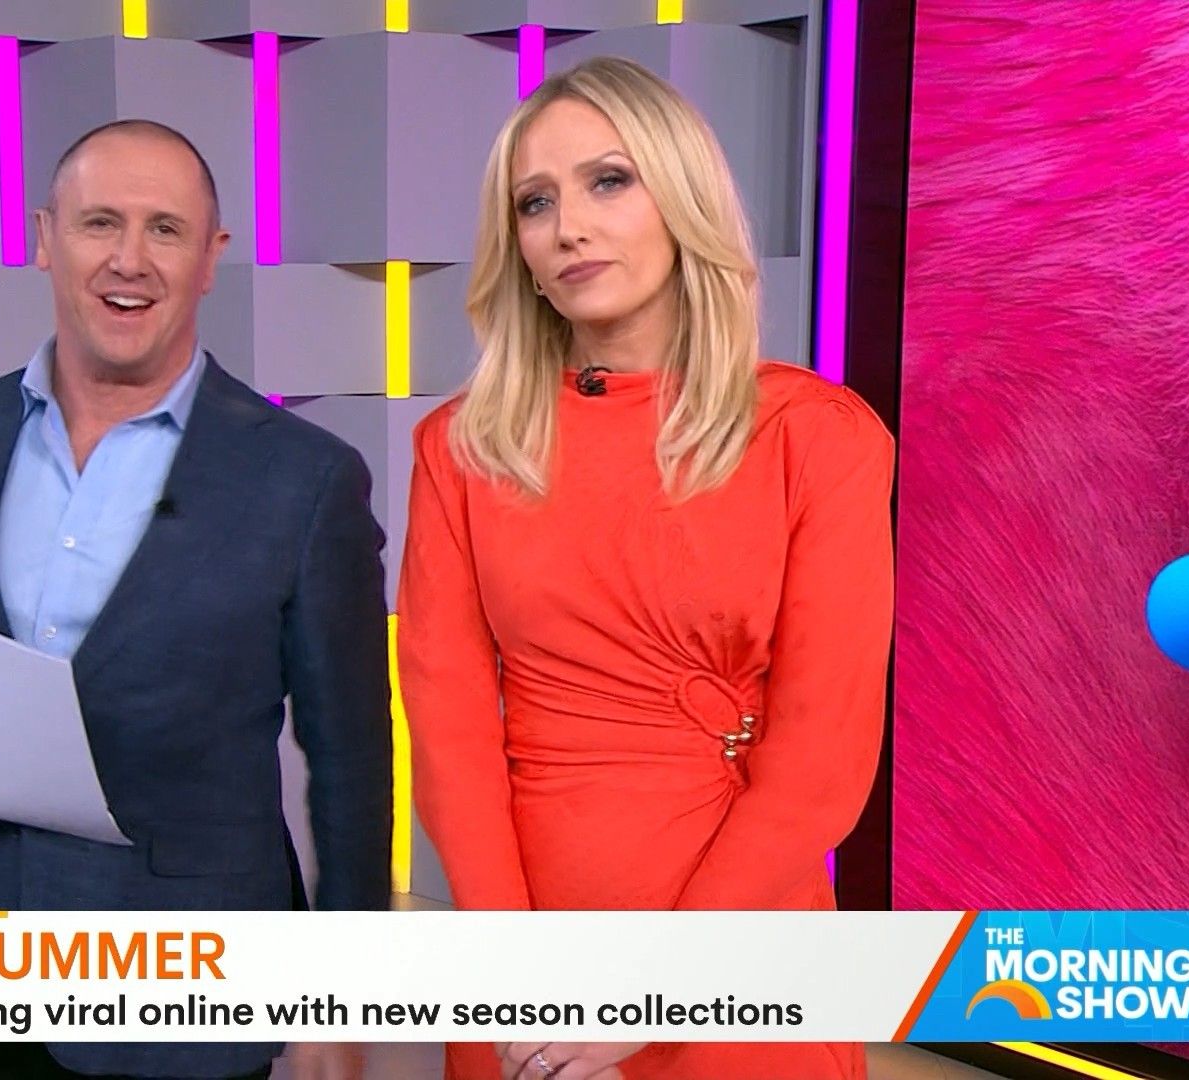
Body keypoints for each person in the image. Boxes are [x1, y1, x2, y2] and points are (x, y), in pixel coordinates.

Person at [0, 119, 389, 1080]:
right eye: (100, 223)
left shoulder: (304, 479)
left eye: (165, 229)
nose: (130, 259)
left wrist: (340, 996)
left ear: (210, 258)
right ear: (46, 238)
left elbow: (351, 762)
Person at [396, 57, 893, 1080]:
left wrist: (658, 989)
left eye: (608, 181)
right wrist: (512, 970)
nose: (569, 226)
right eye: (536, 203)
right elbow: (448, 738)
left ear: (682, 196)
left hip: (736, 940)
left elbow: (823, 763)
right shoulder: (460, 448)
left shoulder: (817, 436)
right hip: (522, 952)